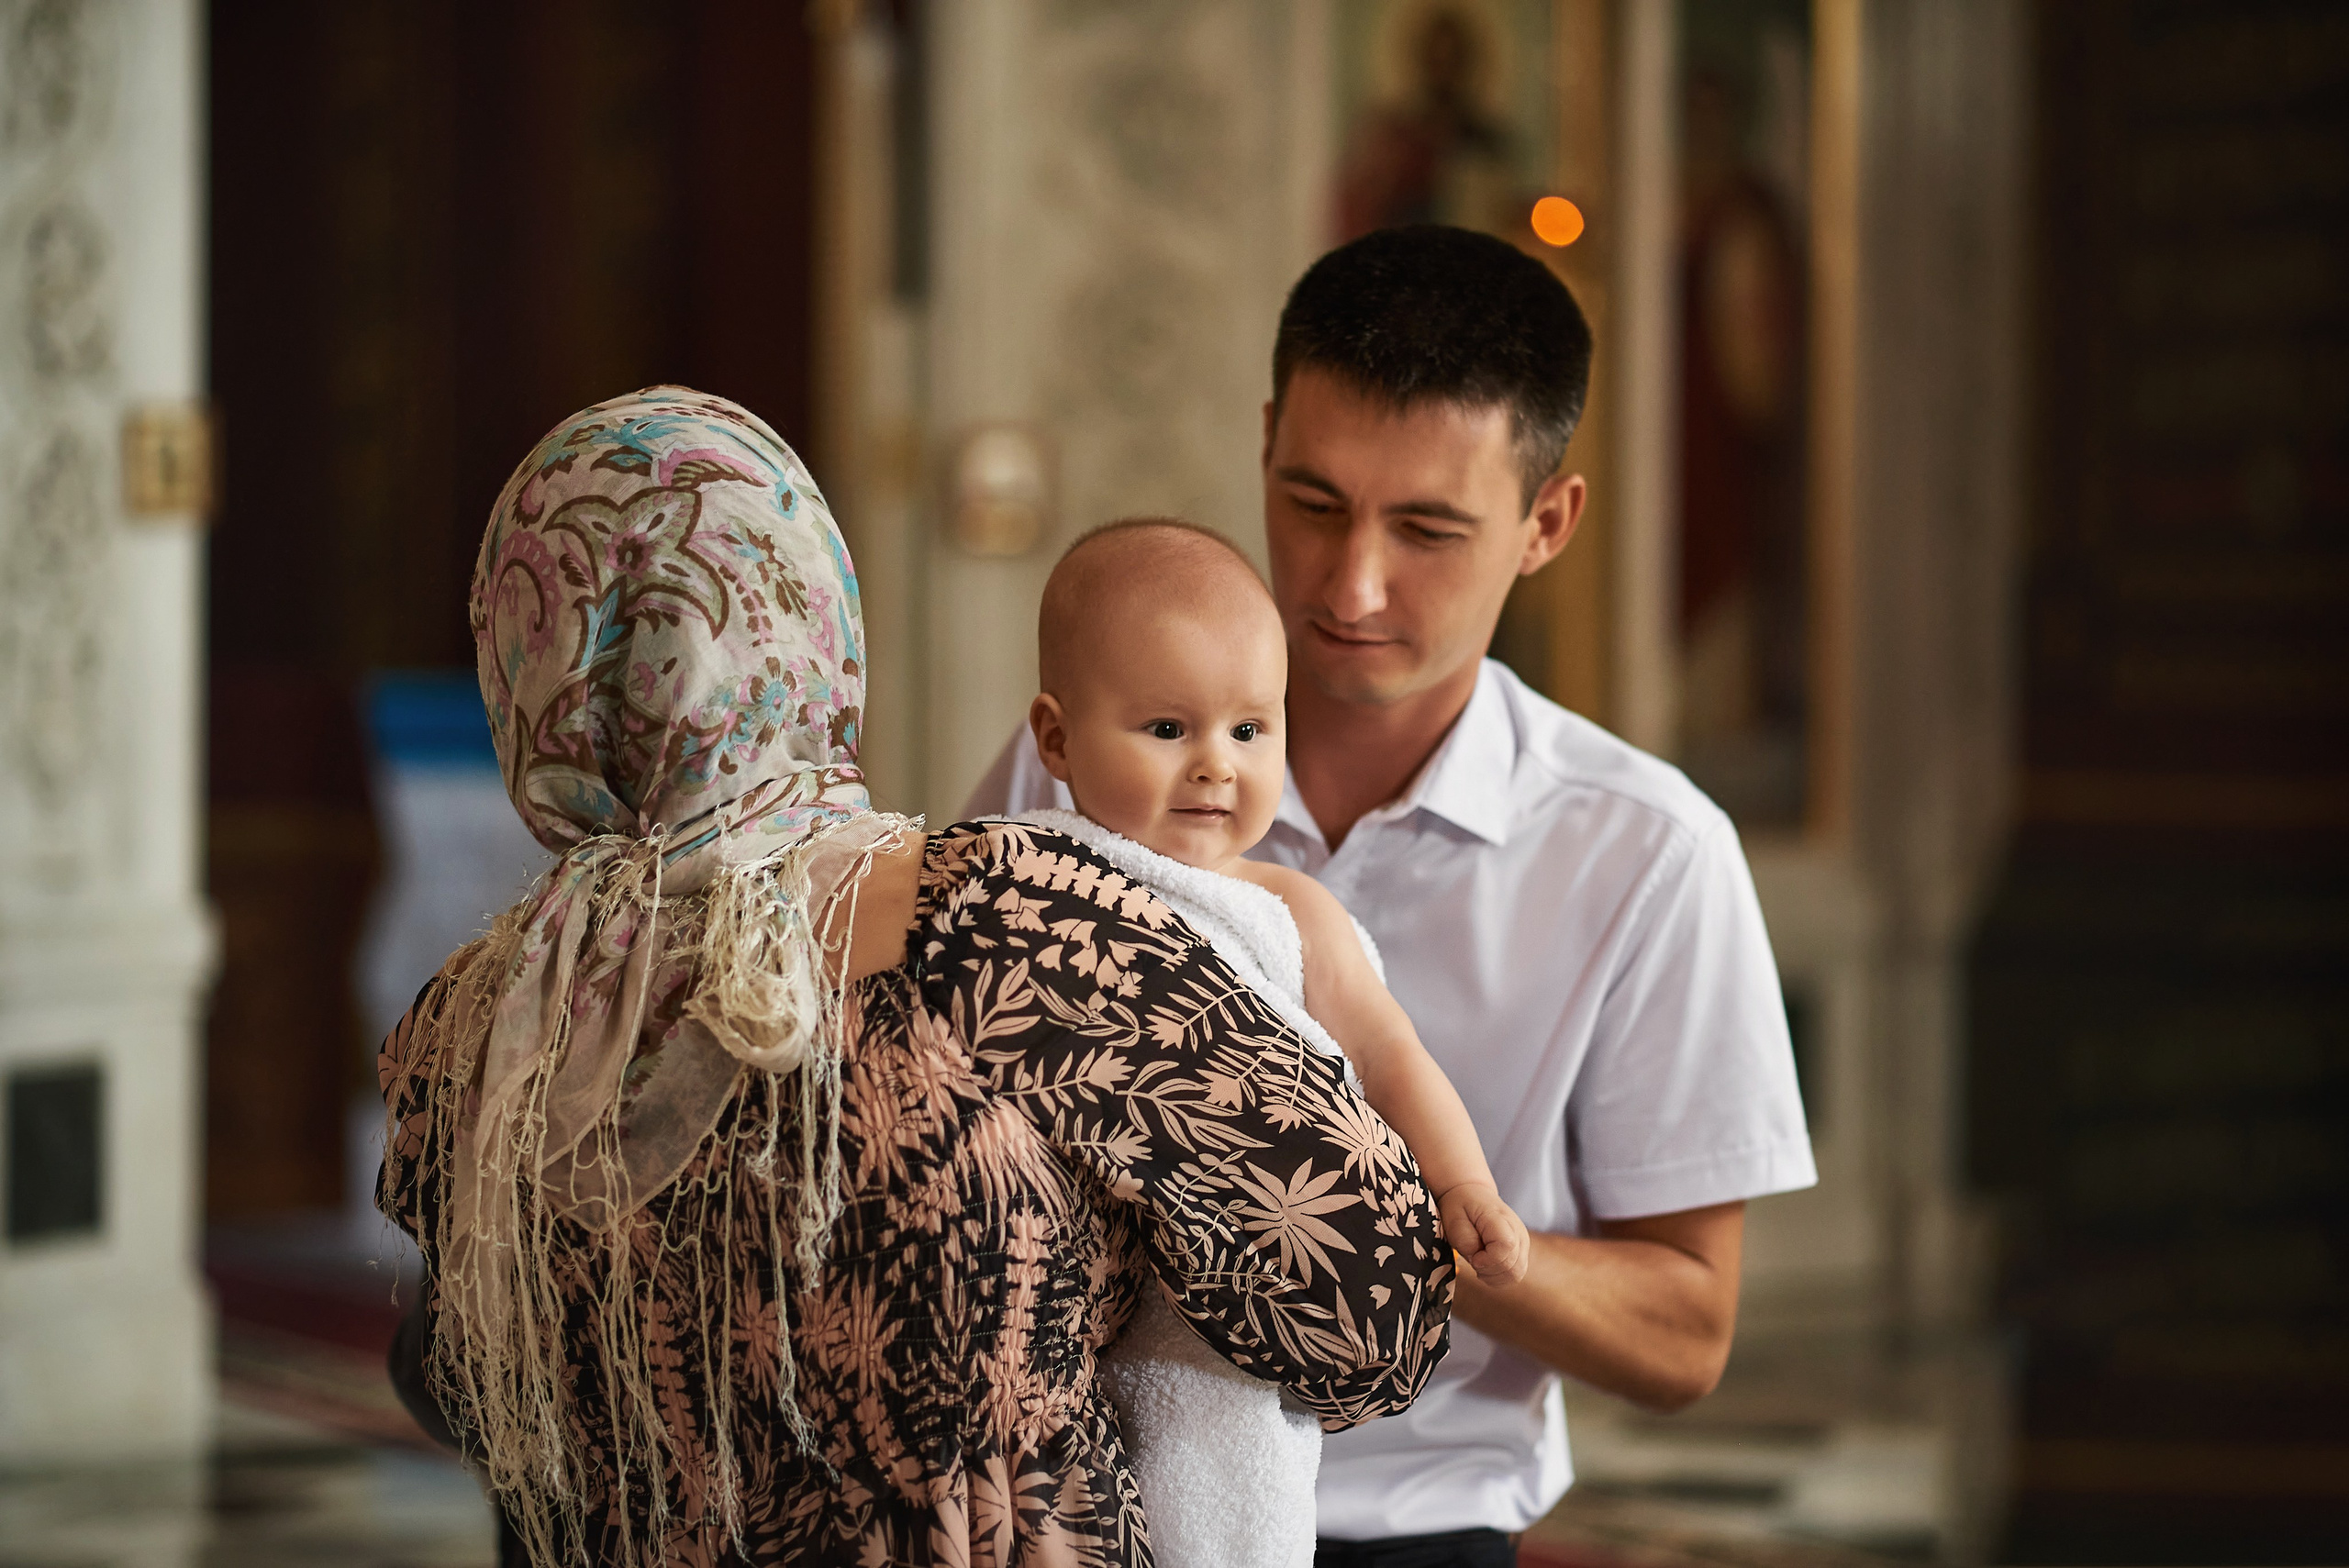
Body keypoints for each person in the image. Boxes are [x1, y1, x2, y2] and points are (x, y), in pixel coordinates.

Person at [377, 386, 1455, 1567]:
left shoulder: (473, 1022)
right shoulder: (1016, 924)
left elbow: (453, 1383)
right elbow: (1369, 1310)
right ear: (812, 621)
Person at [966, 226, 1818, 1566]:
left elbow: (1685, 1334)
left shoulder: (1651, 854)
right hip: (1069, 1512)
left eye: (1426, 528)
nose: (1350, 586)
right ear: (1261, 446)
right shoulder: (1077, 768)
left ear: (1548, 524)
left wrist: (1370, 1223)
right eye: (1313, 504)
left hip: (1418, 1536)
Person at [1006, 516, 1531, 1568]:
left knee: (1215, 1508)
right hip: (1045, 1308)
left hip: (1215, 1332)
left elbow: (1389, 1056)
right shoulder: (1028, 880)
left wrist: (1462, 1183)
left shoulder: (1289, 911)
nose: (1214, 765)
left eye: (1250, 730)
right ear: (1055, 738)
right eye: (1166, 728)